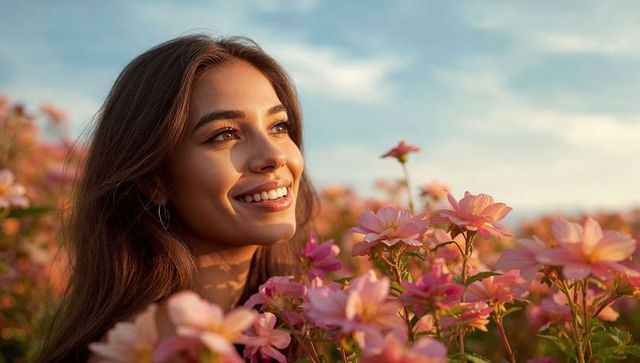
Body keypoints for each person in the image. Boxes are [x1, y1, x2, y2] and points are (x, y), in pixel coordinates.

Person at [39, 34, 317, 363]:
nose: (274, 155)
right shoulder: (149, 353)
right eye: (225, 134)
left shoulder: (304, 329)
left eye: (279, 126)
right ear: (152, 181)